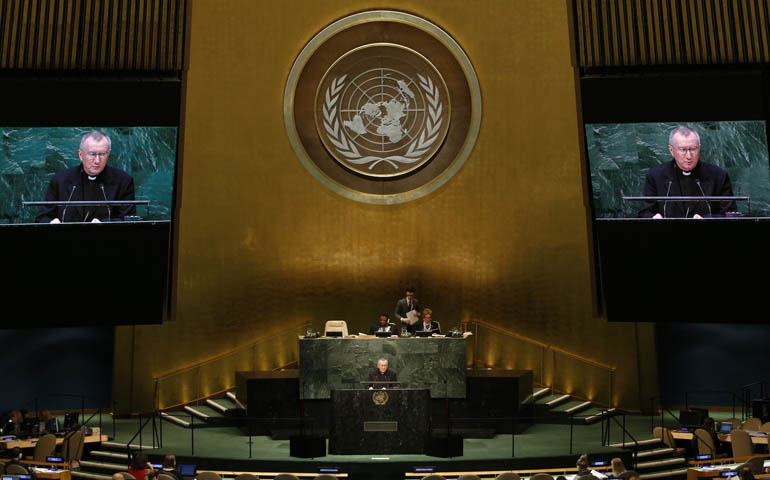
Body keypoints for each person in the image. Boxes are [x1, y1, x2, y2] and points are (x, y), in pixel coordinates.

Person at [36, 130, 136, 223]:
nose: (97, 160)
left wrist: (105, 223)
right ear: (80, 155)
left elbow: (129, 219)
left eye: (102, 154)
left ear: (108, 154)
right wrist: (51, 223)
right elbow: (42, 218)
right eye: (92, 154)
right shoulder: (60, 180)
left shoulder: (123, 181)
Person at [639, 126, 737, 218]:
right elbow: (644, 212)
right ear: (671, 150)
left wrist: (707, 219)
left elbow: (730, 213)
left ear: (699, 148)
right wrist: (654, 218)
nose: (689, 156)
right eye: (683, 150)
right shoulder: (656, 175)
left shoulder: (718, 176)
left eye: (693, 149)